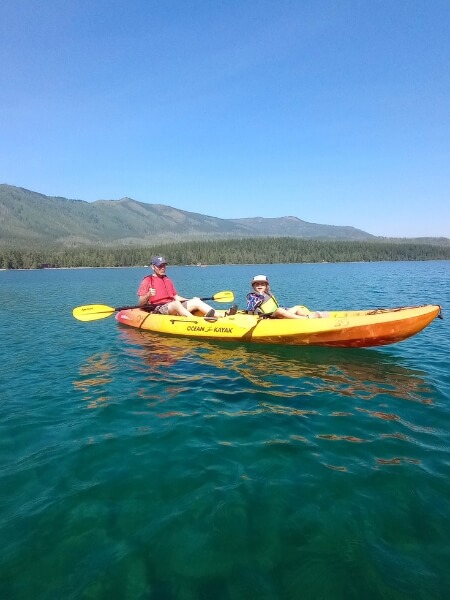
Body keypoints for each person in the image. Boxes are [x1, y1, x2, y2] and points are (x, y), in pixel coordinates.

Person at [137, 256, 217, 318]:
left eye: (164, 265)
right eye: (159, 266)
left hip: (173, 306)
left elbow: (176, 297)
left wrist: (190, 300)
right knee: (176, 303)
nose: (163, 268)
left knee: (196, 301)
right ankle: (195, 321)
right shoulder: (147, 280)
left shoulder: (167, 280)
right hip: (158, 308)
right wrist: (148, 295)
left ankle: (221, 316)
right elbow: (141, 302)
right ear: (153, 267)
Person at [246, 275, 329, 319]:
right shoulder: (252, 296)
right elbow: (250, 309)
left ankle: (311, 315)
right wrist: (259, 296)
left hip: (274, 314)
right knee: (280, 310)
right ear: (253, 286)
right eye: (257, 284)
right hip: (267, 317)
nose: (260, 286)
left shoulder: (267, 294)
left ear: (266, 286)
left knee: (297, 307)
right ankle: (306, 318)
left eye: (262, 284)